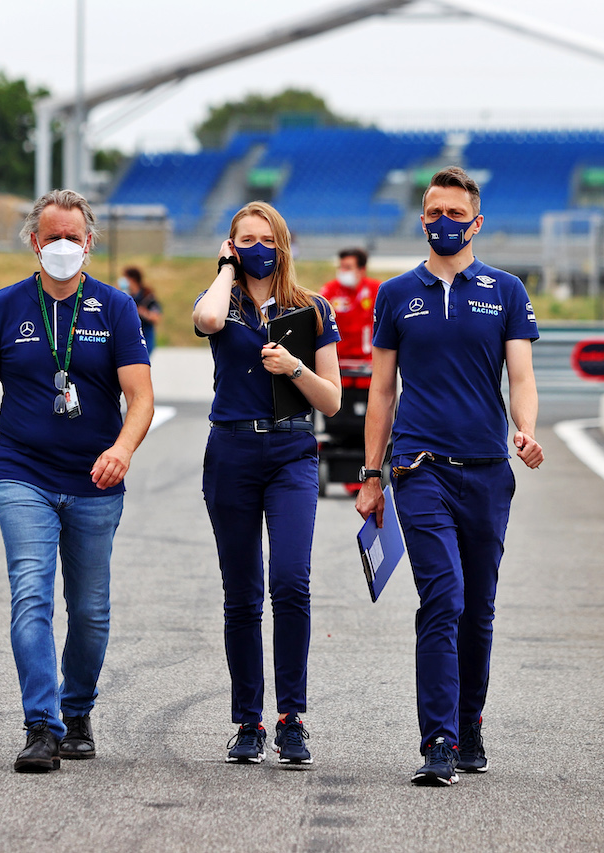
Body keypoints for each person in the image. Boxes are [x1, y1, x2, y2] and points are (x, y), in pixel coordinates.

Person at [355, 166, 543, 786]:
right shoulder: (395, 294)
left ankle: (469, 725)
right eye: (434, 212)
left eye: (455, 215)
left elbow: (521, 376)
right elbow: (382, 391)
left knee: (478, 608)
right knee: (444, 595)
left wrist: (526, 428)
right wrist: (372, 474)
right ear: (422, 217)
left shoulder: (506, 291)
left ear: (476, 222)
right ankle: (437, 739)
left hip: (488, 469)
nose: (443, 223)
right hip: (420, 467)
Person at [0, 189, 154, 773]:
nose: (63, 246)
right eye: (52, 237)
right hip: (24, 474)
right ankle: (40, 725)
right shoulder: (4, 306)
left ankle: (77, 710)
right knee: (31, 594)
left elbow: (140, 397)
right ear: (34, 241)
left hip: (96, 479)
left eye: (74, 237)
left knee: (90, 611)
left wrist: (122, 449)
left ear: (90, 243)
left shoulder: (116, 308)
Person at [193, 201, 342, 766]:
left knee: (290, 583)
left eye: (264, 239)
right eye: (243, 239)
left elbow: (332, 397)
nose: (256, 246)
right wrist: (227, 268)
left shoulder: (311, 309)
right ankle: (248, 721)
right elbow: (206, 322)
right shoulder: (221, 300)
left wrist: (295, 369)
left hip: (291, 450)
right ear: (231, 245)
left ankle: (292, 717)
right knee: (242, 594)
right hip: (230, 447)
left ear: (282, 243)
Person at [320, 248, 380, 361]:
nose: (342, 271)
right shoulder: (329, 290)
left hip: (367, 359)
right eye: (340, 267)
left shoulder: (376, 289)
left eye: (347, 268)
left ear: (362, 270)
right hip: (337, 358)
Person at [119, 266, 163, 355]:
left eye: (125, 278)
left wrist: (143, 313)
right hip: (129, 337)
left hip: (145, 336)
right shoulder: (125, 295)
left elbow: (156, 318)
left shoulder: (147, 296)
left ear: (132, 279)